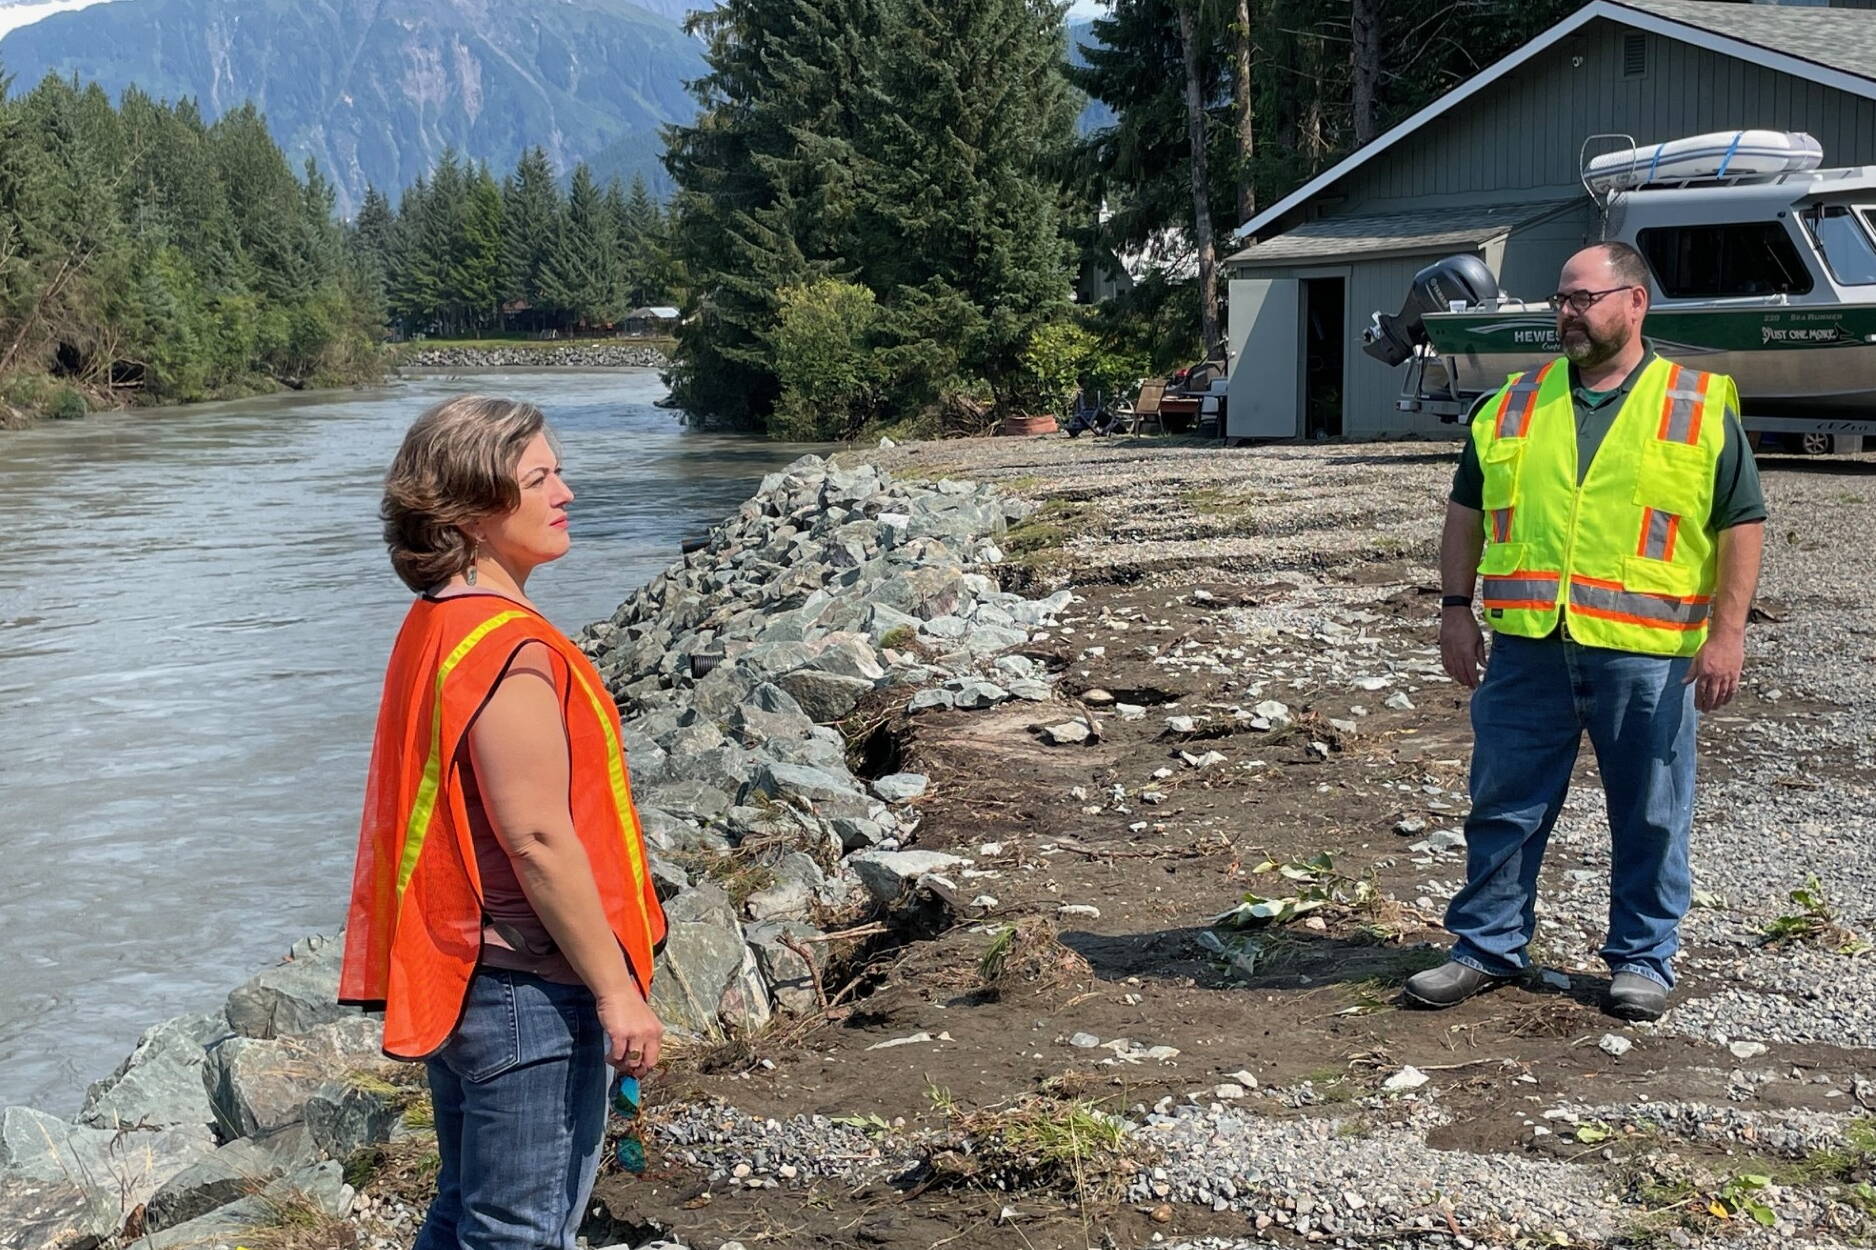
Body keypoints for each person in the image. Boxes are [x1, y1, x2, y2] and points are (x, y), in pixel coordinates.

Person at [1404, 241, 1766, 1022]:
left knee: (1649, 810)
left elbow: (1741, 522)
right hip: (1530, 647)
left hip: (1646, 653)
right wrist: (1454, 608)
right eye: (1559, 300)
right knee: (1503, 803)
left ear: (1634, 303)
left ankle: (1642, 957)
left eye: (1582, 298)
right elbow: (1465, 512)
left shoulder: (1696, 402)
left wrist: (1728, 633)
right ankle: (1486, 945)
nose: (1565, 313)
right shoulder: (1512, 402)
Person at [338, 395, 668, 1249]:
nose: (566, 492)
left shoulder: (436, 625)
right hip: (529, 995)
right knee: (519, 1232)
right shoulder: (509, 649)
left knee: (464, 1214)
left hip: (467, 979)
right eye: (540, 478)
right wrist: (616, 991)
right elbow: (537, 839)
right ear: (477, 514)